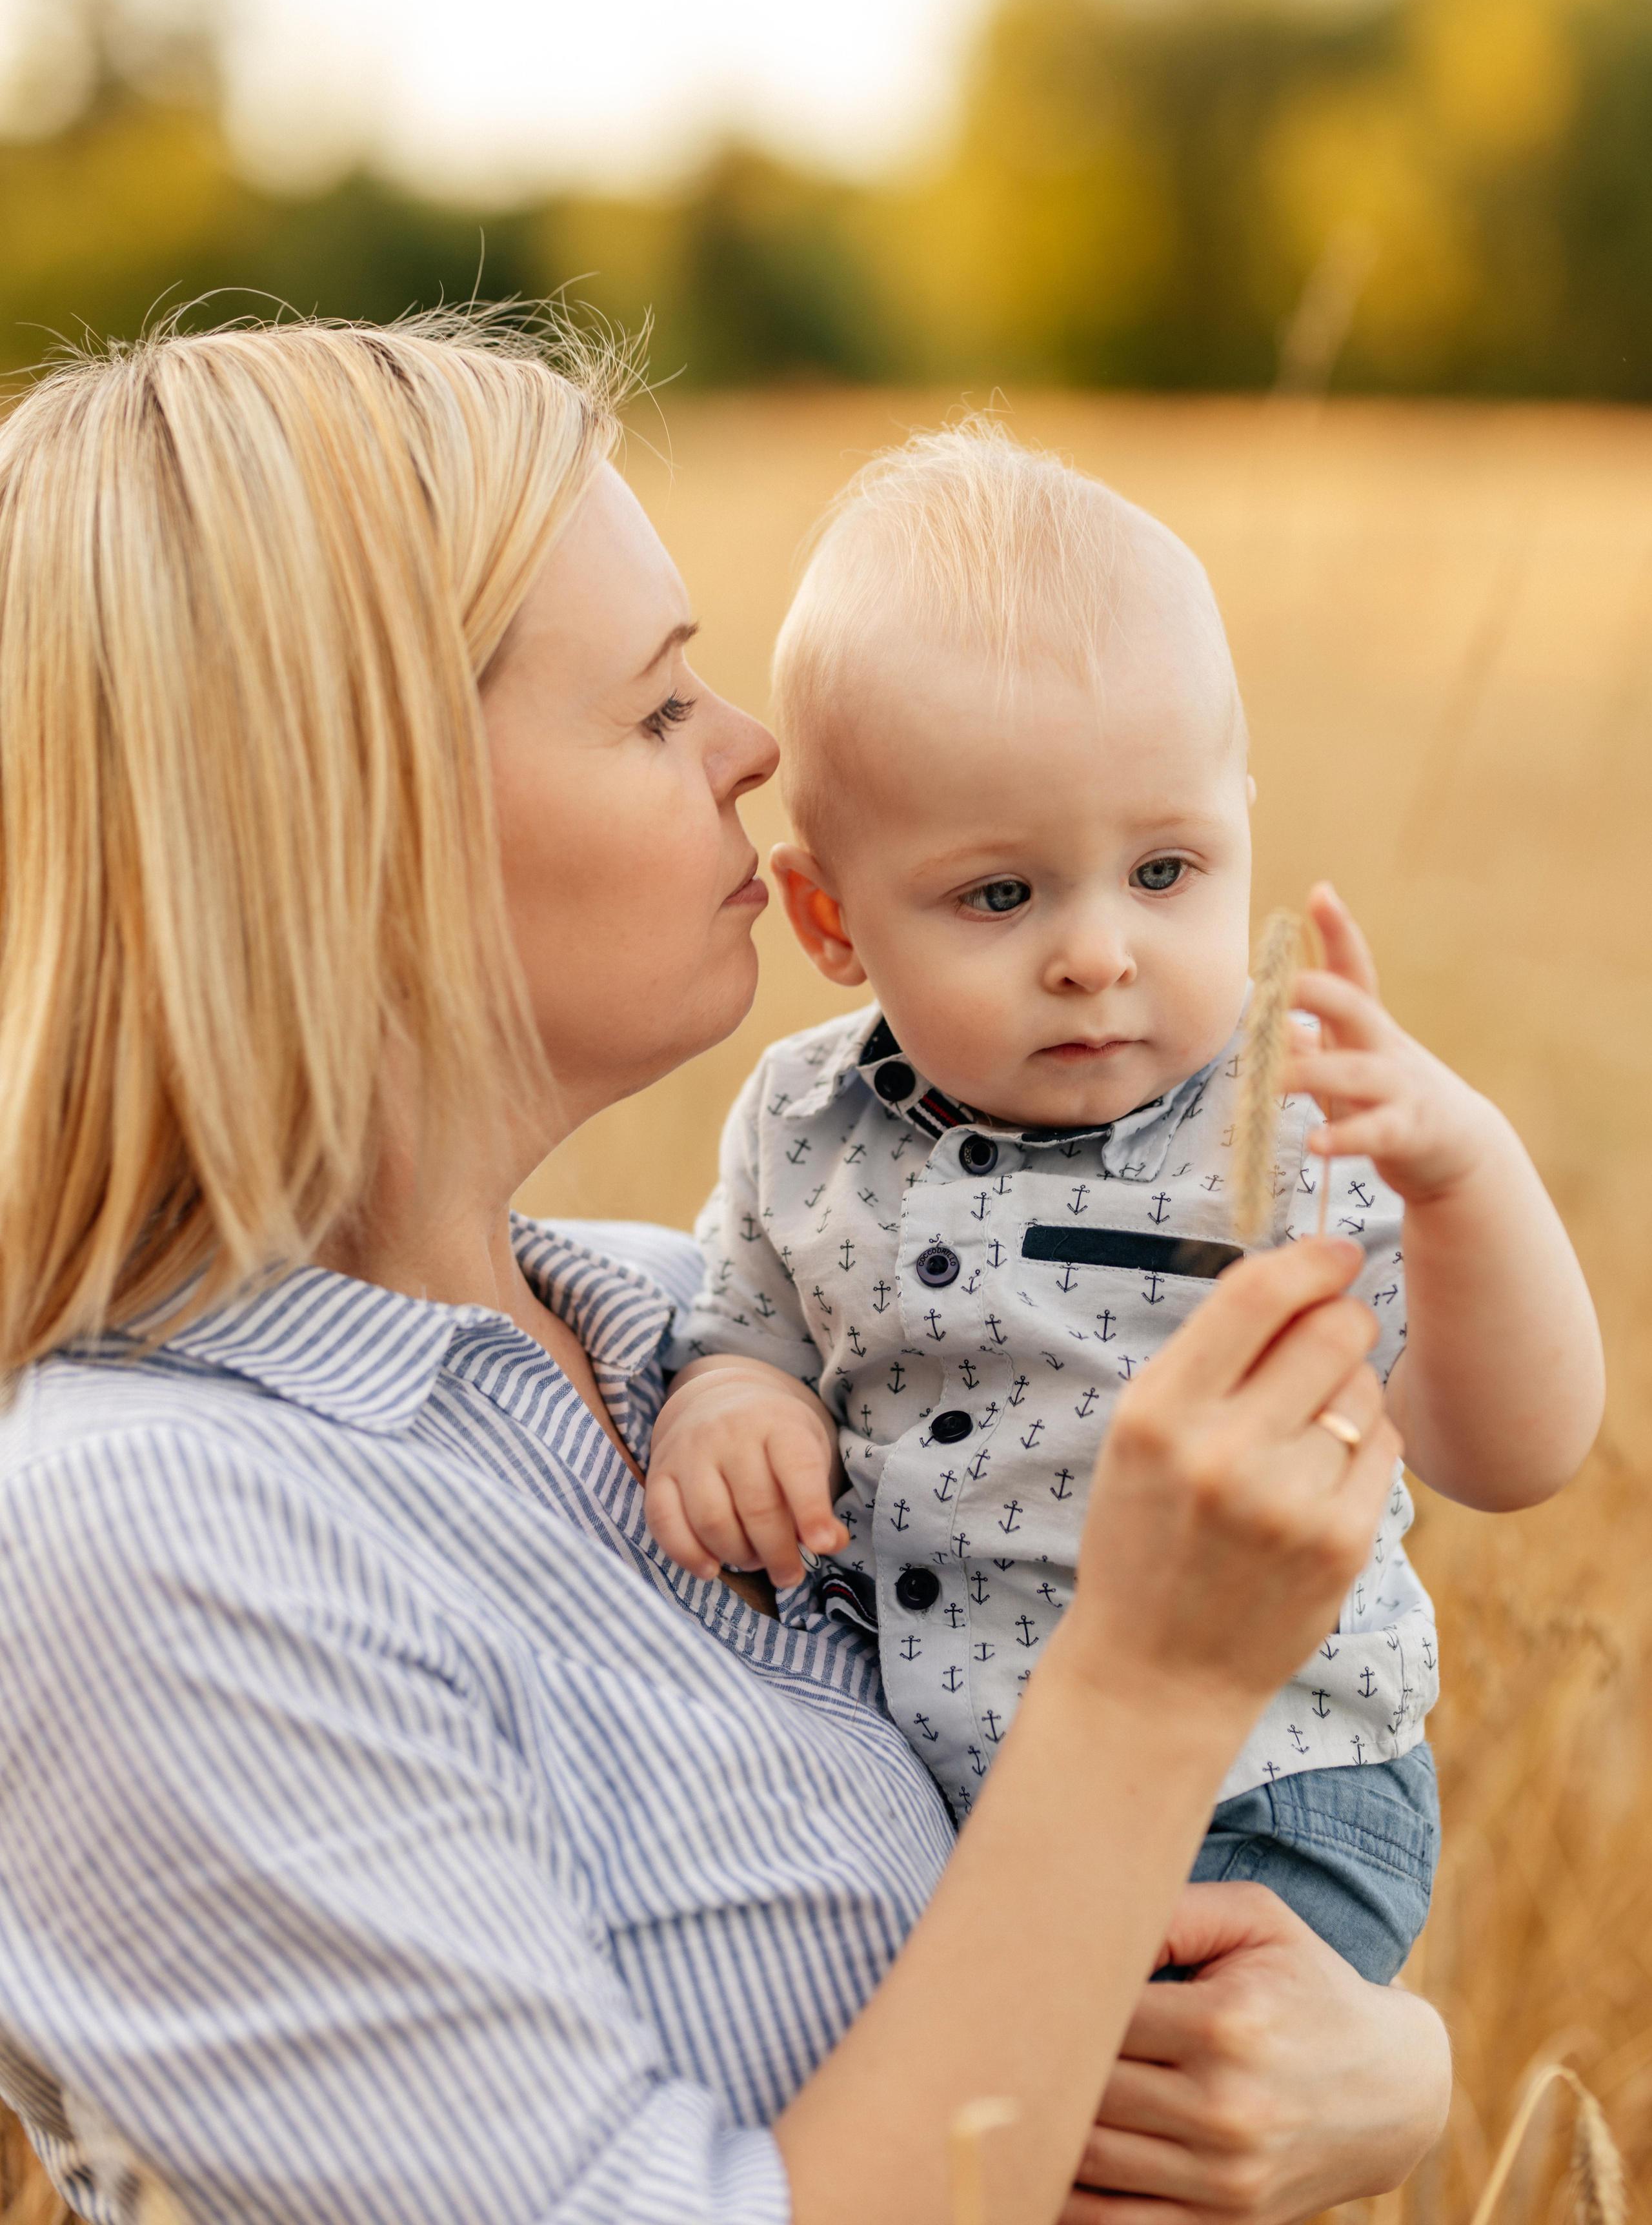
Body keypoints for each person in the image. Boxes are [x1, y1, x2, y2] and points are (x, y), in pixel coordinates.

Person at [0, 316, 1451, 2225]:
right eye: (664, 702)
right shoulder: (144, 1539)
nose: (759, 750)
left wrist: (1369, 2068)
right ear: (366, 820)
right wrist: (1148, 1688)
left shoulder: (685, 1316)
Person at [647, 423, 1604, 1985]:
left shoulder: (1297, 1118)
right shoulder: (800, 1123)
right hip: (933, 1802)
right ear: (829, 915)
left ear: (1240, 821)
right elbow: (743, 1327)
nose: (1096, 953)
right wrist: (732, 1404)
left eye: (1164, 872)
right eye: (1000, 894)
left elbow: (1515, 1452)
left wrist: (1465, 1174)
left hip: (1261, 1792)